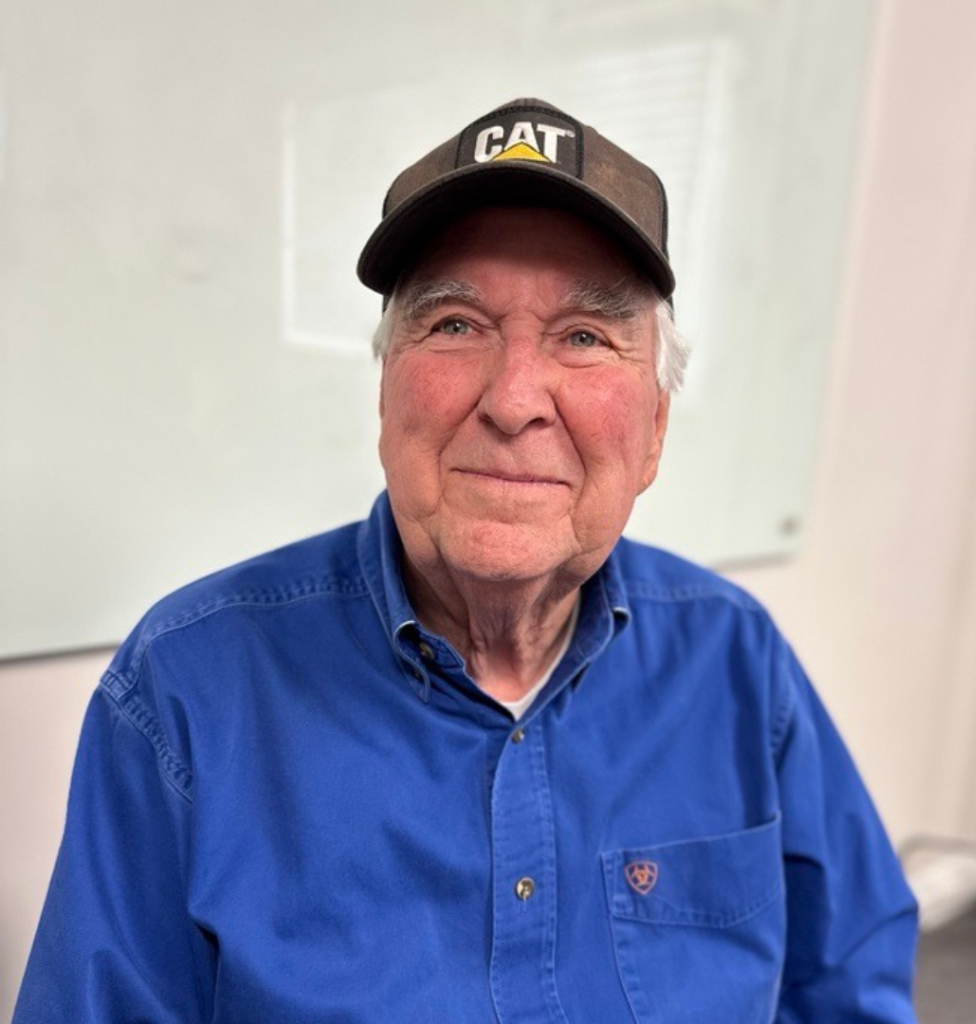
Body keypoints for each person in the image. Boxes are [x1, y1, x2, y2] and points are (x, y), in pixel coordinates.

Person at [14, 98, 918, 1023]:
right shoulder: (185, 694)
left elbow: (851, 987)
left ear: (653, 432)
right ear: (385, 394)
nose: (515, 398)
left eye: (584, 337)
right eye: (454, 324)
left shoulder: (736, 662)